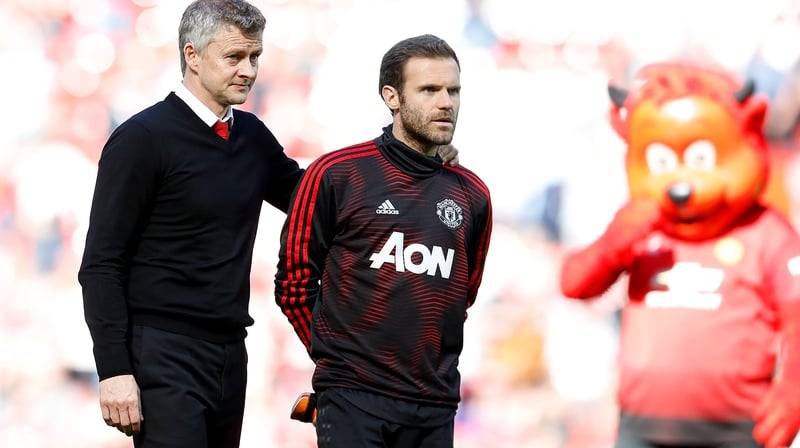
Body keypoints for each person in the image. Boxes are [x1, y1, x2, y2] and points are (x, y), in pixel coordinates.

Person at [77, 2, 461, 447]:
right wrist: (114, 370)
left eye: (255, 57)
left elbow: (324, 200)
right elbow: (102, 263)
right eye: (234, 57)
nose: (248, 69)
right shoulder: (142, 140)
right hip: (162, 350)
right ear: (192, 56)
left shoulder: (251, 137)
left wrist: (412, 155)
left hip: (230, 352)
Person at [274, 34, 493, 448]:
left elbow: (460, 296)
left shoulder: (473, 193)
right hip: (354, 398)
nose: (446, 102)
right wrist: (338, 361)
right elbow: (293, 285)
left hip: (434, 405)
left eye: (453, 90)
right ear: (391, 96)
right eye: (429, 89)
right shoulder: (337, 174)